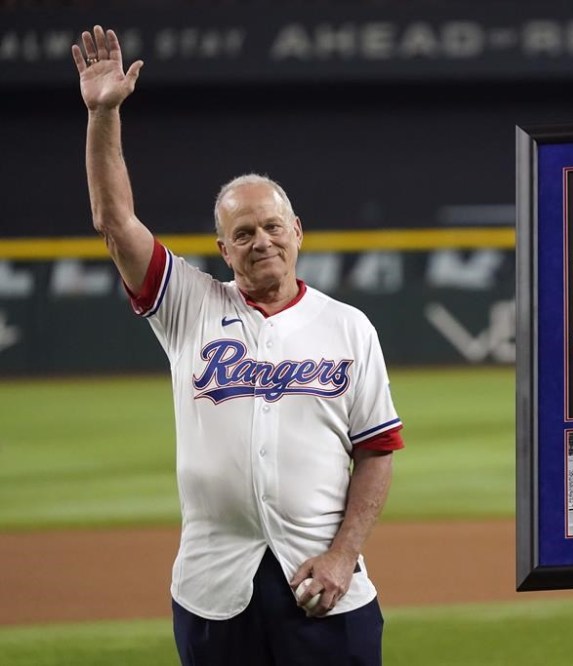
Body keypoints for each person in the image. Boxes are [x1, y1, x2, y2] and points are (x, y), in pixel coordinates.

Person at [72, 26, 403, 665]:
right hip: (212, 587)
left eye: (273, 225)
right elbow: (114, 224)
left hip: (324, 585)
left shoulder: (349, 327)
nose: (261, 241)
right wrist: (104, 115)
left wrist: (342, 554)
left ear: (298, 231)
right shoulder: (188, 305)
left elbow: (378, 451)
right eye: (242, 232)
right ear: (223, 249)